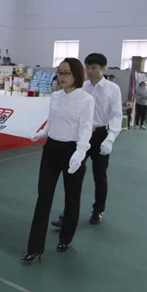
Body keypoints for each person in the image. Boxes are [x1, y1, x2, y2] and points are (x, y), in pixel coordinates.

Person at [22, 58, 94, 262]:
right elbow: (51, 122)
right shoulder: (55, 96)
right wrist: (42, 133)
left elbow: (86, 129)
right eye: (59, 72)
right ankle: (35, 247)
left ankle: (65, 238)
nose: (61, 77)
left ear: (76, 75)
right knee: (43, 197)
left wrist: (80, 153)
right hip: (51, 149)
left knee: (72, 198)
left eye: (66, 73)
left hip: (73, 150)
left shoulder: (86, 100)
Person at [52, 53, 122, 228]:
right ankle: (68, 215)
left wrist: (110, 138)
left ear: (103, 68)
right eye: (88, 67)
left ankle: (98, 210)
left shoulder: (113, 89)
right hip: (81, 135)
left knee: (100, 175)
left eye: (94, 68)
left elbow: (116, 115)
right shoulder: (82, 87)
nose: (90, 71)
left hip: (100, 135)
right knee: (73, 174)